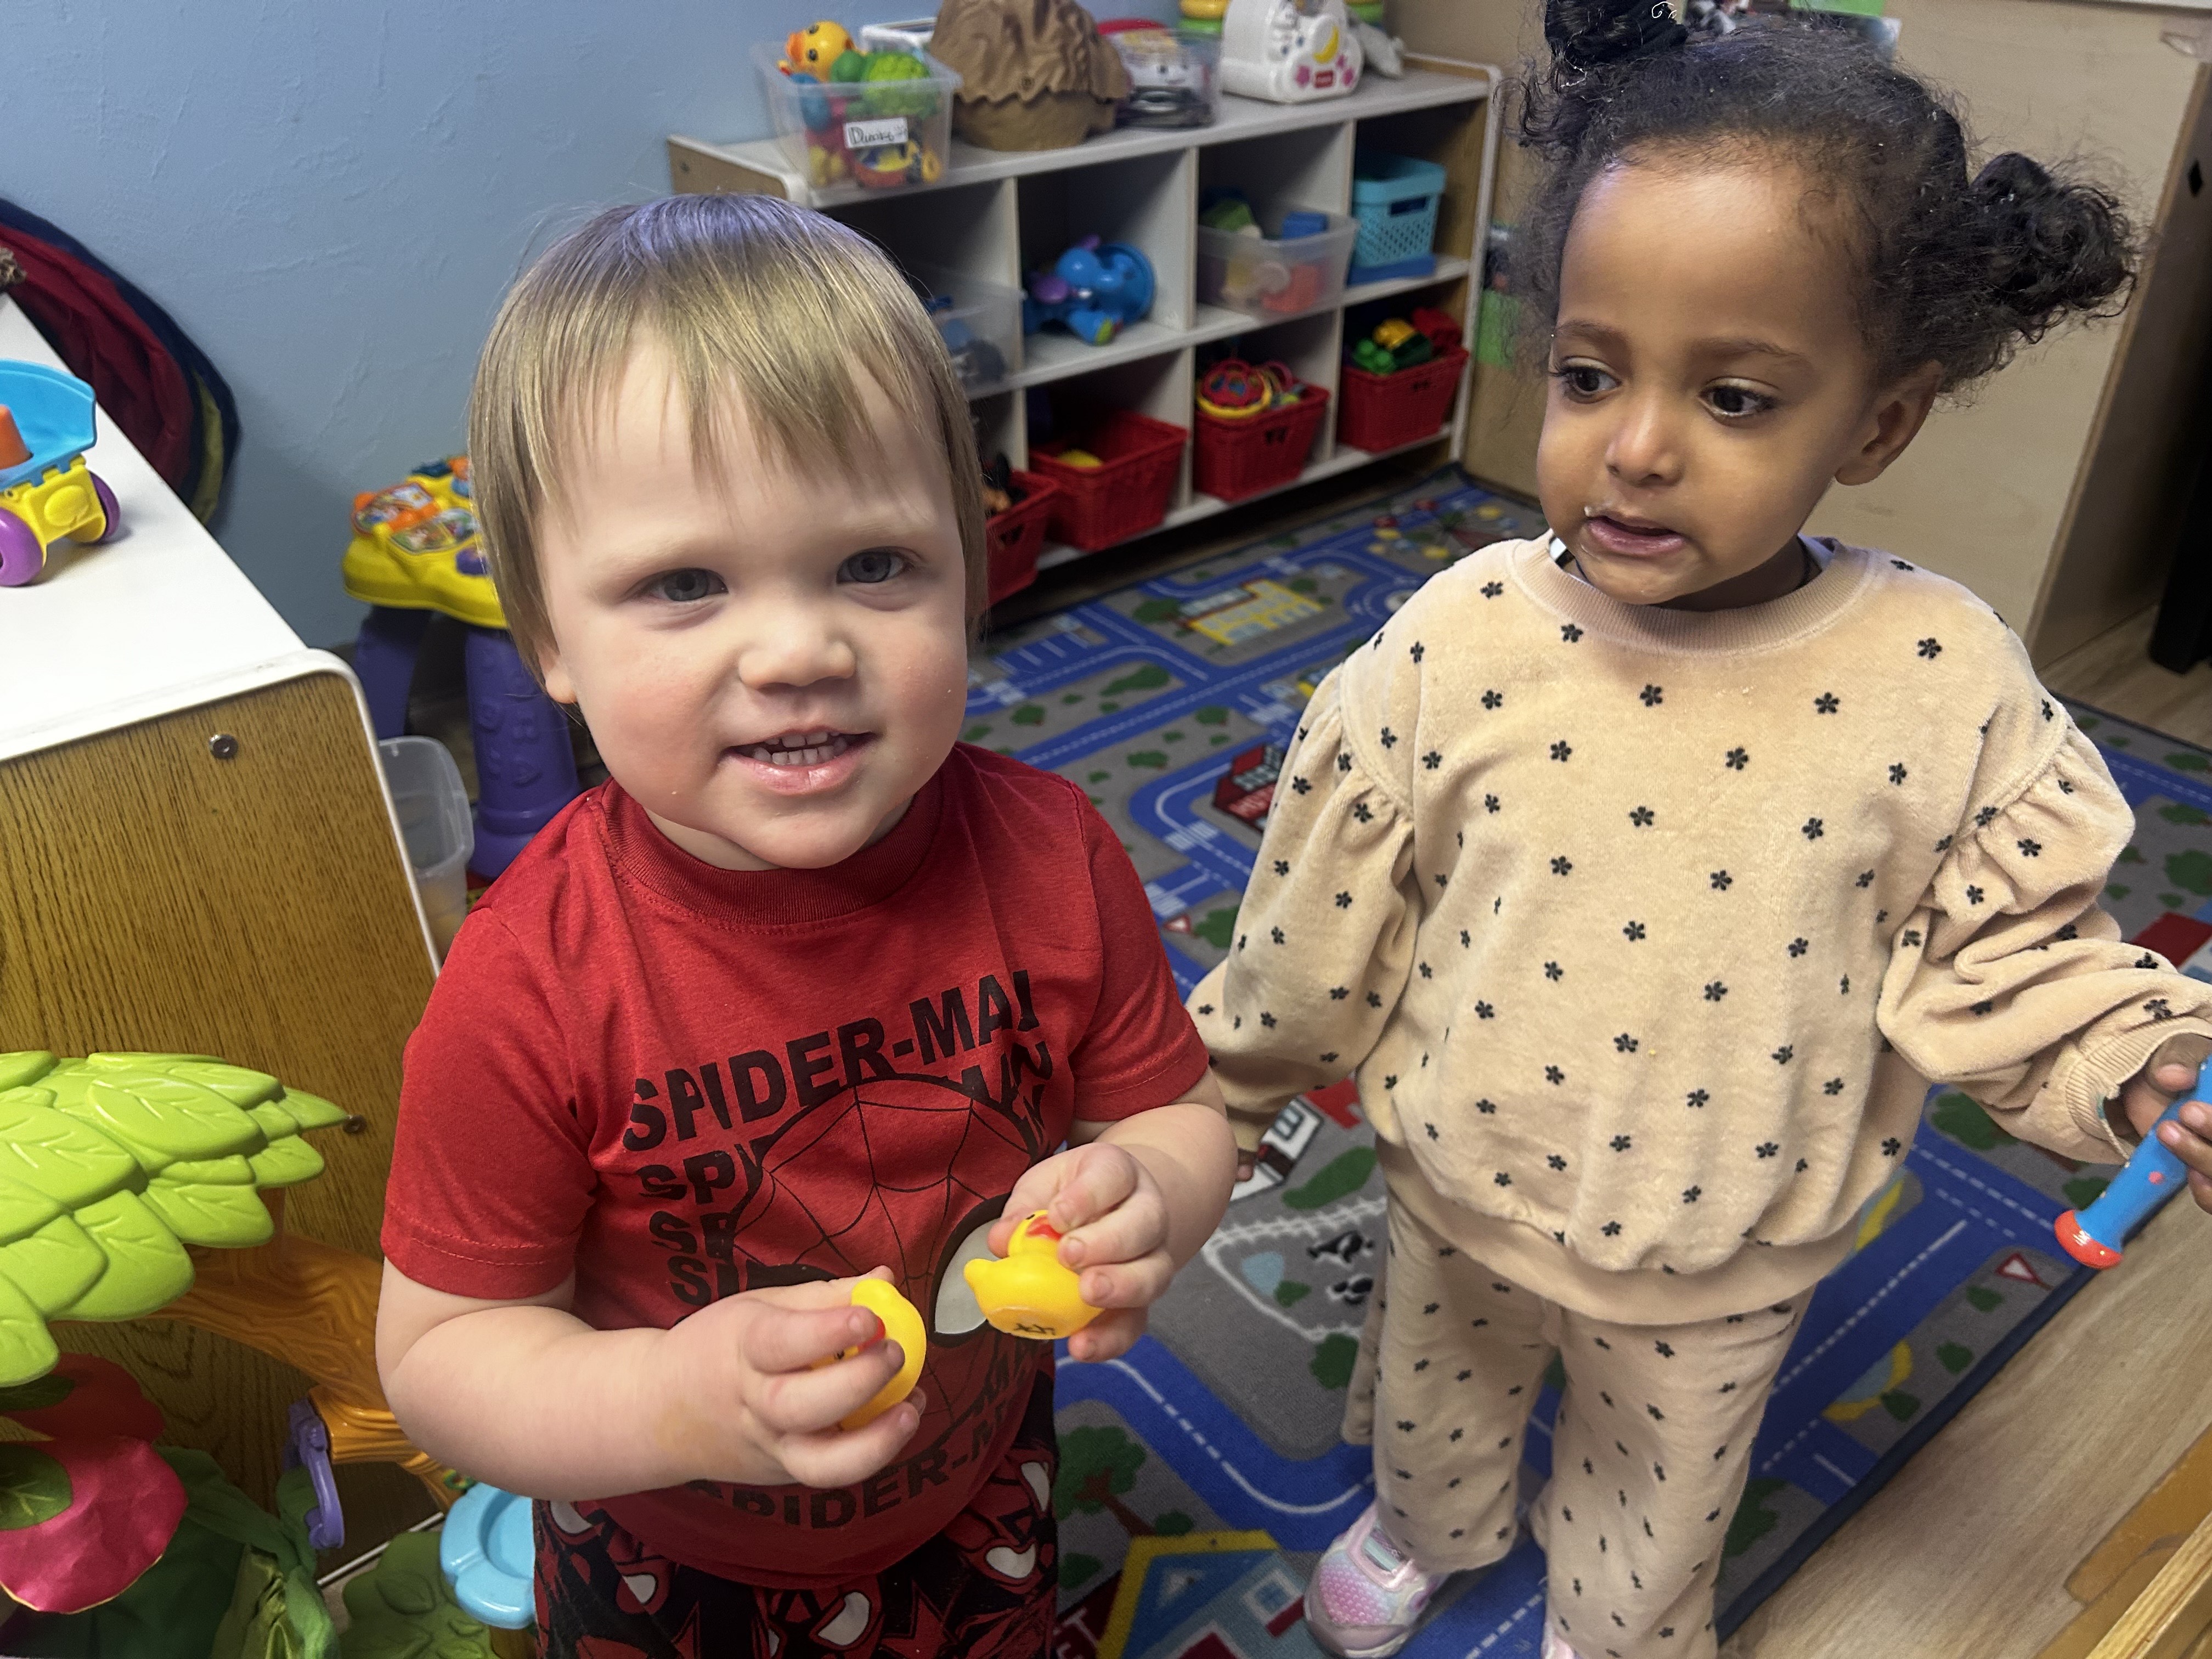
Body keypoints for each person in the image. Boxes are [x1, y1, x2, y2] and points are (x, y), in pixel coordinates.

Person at [1188, 4, 2212, 1656]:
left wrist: (2138, 1058)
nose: (1638, 448)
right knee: (1438, 1397)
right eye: (1590, 375)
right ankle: (1426, 1524)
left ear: (1876, 423)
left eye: (1734, 397)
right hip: (1459, 1178)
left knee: (1662, 1490)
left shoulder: (1944, 680)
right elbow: (1322, 905)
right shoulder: (1460, 636)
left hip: (1726, 1240)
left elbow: (2012, 951)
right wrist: (1220, 1097)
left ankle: (1617, 1625)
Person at [375, 193, 1236, 1659]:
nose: (797, 651)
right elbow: (444, 1356)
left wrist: (1147, 1194)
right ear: (547, 641)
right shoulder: (527, 983)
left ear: (968, 568)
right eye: (685, 584)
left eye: (874, 564)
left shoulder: (1055, 858)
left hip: (979, 1485)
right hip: (675, 1548)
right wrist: (674, 1404)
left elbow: (1177, 1114)